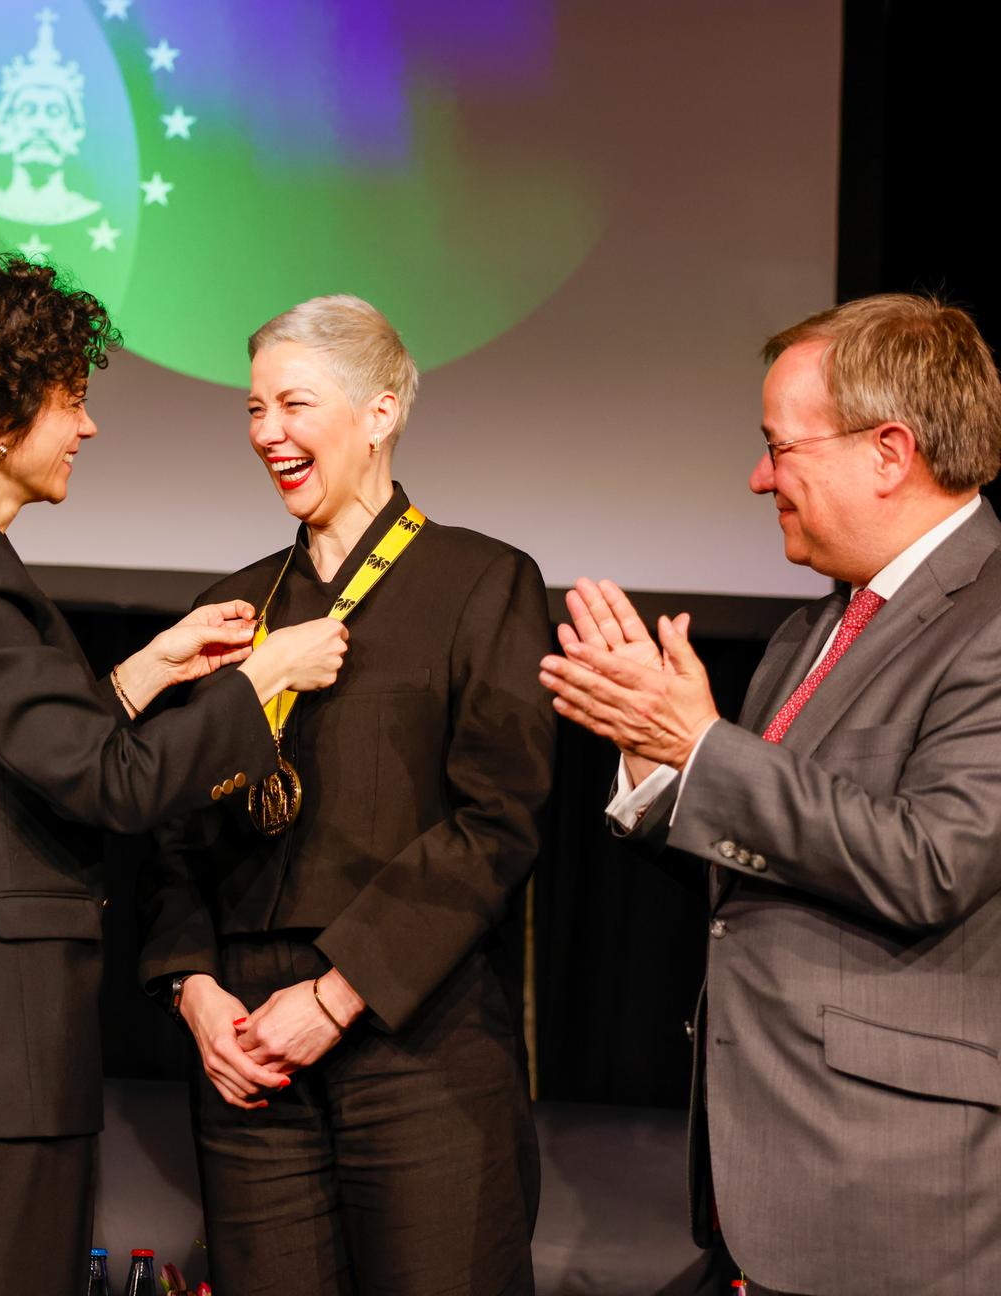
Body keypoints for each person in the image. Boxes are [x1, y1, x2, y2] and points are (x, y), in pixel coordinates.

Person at [0, 253, 348, 1296]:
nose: (87, 427)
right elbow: (110, 785)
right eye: (71, 400)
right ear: (0, 416)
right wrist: (264, 678)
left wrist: (150, 667)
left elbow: (18, 751)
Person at [539, 294, 1001, 1295]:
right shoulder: (809, 633)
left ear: (890, 451)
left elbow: (934, 862)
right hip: (770, 1171)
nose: (759, 478)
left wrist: (701, 747)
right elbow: (754, 859)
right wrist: (658, 768)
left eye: (778, 448)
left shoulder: (991, 620)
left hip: (896, 1187)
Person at [138, 294, 555, 1295]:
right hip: (248, 1053)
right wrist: (195, 994)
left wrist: (337, 994)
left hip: (419, 1038)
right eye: (252, 409)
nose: (267, 433)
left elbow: (497, 823)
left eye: (293, 404)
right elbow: (171, 833)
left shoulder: (482, 583)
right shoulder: (228, 609)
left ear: (380, 413)